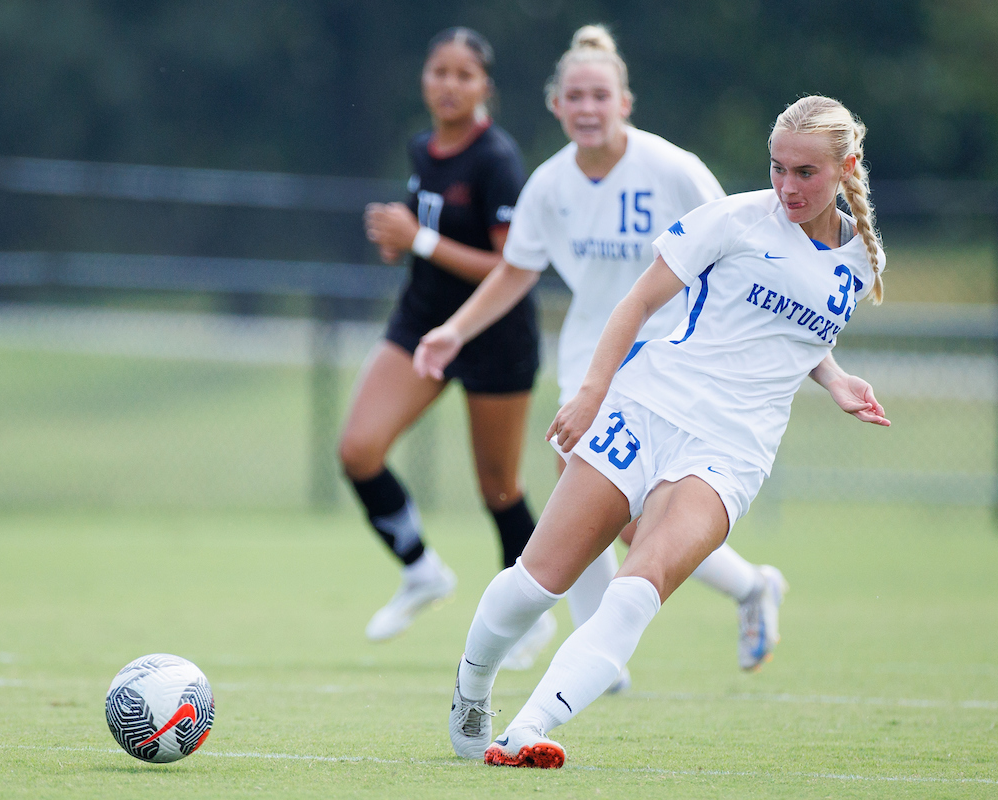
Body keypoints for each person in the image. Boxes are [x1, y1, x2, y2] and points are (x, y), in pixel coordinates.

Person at [437, 94, 891, 768]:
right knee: (539, 582)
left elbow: (788, 334)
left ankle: (526, 730)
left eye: (806, 174)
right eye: (778, 169)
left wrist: (835, 379)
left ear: (846, 167)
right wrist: (592, 391)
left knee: (637, 589)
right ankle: (472, 689)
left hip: (731, 454)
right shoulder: (735, 218)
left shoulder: (861, 264)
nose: (787, 187)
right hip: (647, 408)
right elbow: (640, 300)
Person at [415, 25, 788, 684]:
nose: (587, 107)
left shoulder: (671, 169)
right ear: (556, 106)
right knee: (587, 506)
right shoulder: (549, 185)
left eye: (600, 95)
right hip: (591, 361)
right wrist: (455, 330)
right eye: (574, 97)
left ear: (625, 103)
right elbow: (514, 271)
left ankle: (746, 589)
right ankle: (614, 650)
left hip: (673, 362)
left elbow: (737, 243)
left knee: (639, 518)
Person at [338, 28, 541, 645]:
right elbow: (428, 229)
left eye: (464, 75)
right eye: (439, 72)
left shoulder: (498, 161)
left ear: (486, 88)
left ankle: (527, 614)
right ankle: (422, 570)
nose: (449, 85)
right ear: (424, 80)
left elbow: (514, 269)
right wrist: (399, 240)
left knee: (499, 487)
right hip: (421, 323)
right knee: (358, 450)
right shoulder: (423, 148)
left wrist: (420, 240)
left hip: (494, 334)